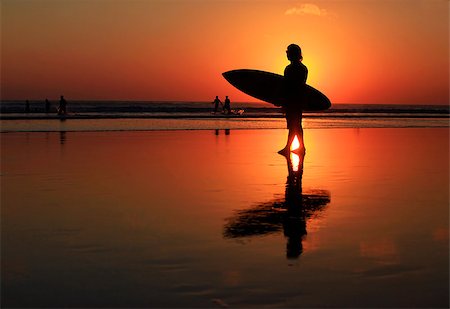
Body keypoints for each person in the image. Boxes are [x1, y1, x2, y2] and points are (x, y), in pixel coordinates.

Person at [278, 44, 308, 155]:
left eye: (288, 52)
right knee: (296, 124)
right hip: (298, 100)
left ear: (293, 54)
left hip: (292, 100)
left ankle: (290, 148)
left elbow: (287, 86)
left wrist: (282, 101)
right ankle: (300, 147)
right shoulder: (303, 68)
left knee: (293, 124)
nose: (287, 54)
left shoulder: (290, 68)